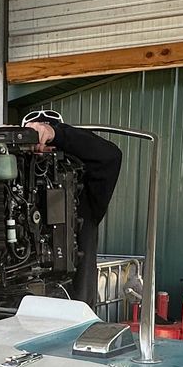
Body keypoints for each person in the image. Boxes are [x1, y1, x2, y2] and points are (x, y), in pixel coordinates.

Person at [20, 110, 122, 307]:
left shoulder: (86, 196)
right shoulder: (9, 197)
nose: (42, 152)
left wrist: (58, 135)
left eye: (48, 143)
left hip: (72, 310)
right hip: (11, 311)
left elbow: (111, 156)